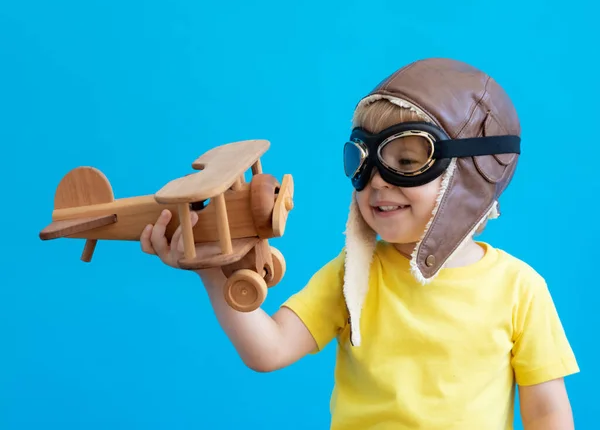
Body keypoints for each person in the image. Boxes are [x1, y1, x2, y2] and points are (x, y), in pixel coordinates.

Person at [140, 58, 579, 429]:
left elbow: (547, 411)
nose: (377, 183)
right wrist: (213, 268)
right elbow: (268, 349)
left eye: (407, 160)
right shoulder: (355, 271)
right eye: (362, 160)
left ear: (466, 175)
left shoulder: (520, 289)